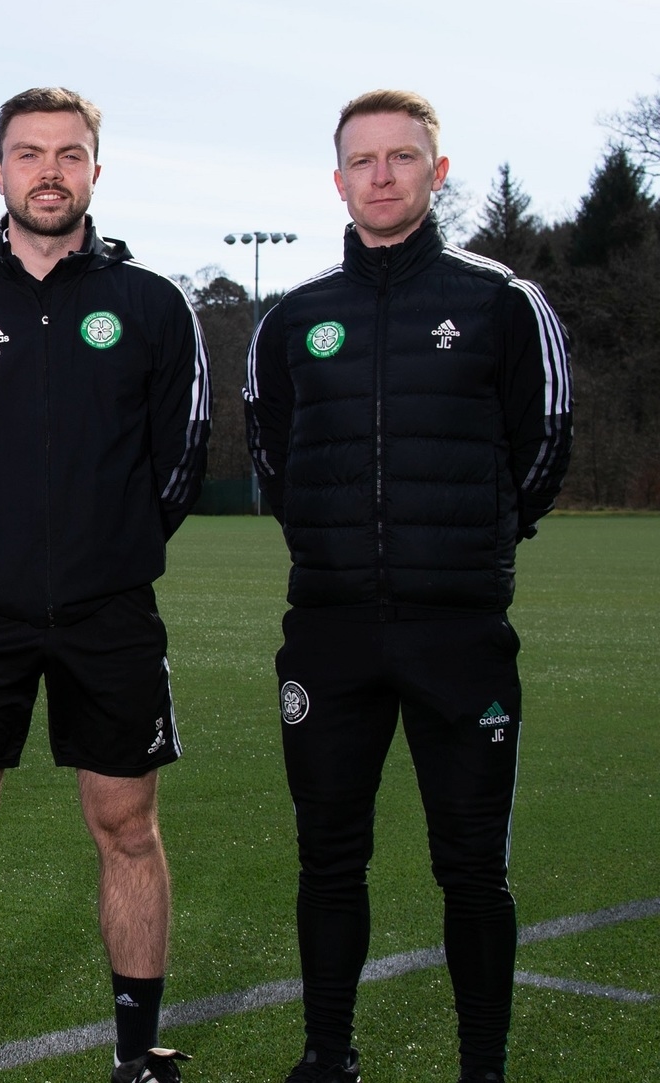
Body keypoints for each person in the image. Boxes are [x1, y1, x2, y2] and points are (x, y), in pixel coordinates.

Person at [0, 87, 210, 1083]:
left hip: (112, 615)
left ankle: (136, 1051)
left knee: (129, 827)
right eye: (29, 154)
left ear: (96, 172)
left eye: (70, 154)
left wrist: (111, 550)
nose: (50, 171)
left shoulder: (153, 303)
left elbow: (182, 456)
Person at [244, 89, 571, 1083]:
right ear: (337, 178)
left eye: (401, 156)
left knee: (472, 869)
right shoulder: (295, 319)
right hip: (330, 634)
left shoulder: (502, 302)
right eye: (363, 160)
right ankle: (327, 1054)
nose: (381, 174)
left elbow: (543, 445)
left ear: (437, 169)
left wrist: (465, 549)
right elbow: (272, 454)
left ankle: (482, 1065)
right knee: (328, 862)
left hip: (458, 635)